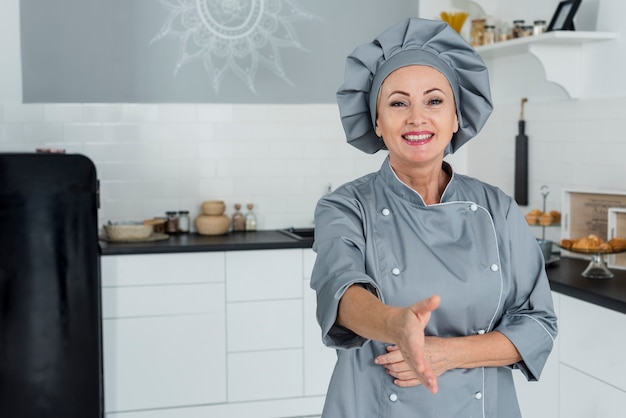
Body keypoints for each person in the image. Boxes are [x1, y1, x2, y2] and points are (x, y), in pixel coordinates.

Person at [310, 17, 557, 418]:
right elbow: (342, 293)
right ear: (377, 122)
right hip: (373, 405)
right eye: (398, 102)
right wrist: (395, 324)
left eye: (435, 100)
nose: (417, 117)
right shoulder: (345, 206)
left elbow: (538, 324)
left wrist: (446, 353)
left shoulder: (498, 209)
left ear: (457, 117)